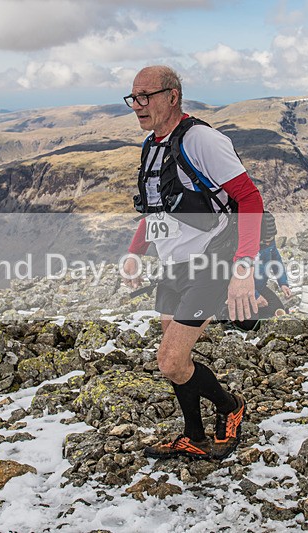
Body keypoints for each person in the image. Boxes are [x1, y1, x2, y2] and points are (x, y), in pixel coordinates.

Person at [121, 65, 264, 460]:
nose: (138, 105)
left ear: (173, 96)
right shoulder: (153, 146)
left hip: (209, 263)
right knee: (175, 359)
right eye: (134, 97)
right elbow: (155, 211)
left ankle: (230, 406)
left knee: (169, 360)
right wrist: (136, 254)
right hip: (172, 268)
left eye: (147, 96)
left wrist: (243, 269)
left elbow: (250, 201)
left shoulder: (201, 140)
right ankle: (194, 436)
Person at [231, 211, 291, 331]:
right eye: (265, 240)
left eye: (271, 239)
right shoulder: (242, 246)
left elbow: (276, 260)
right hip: (242, 289)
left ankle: (258, 313)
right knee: (250, 324)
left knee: (278, 310)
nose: (269, 242)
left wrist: (283, 283)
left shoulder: (269, 241)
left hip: (260, 286)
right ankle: (231, 317)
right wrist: (255, 296)